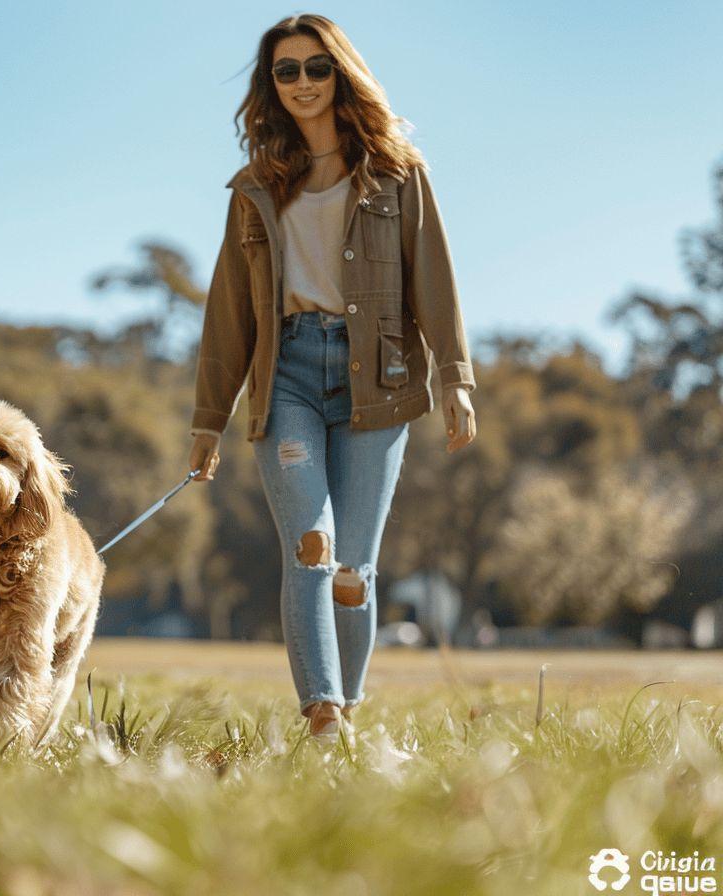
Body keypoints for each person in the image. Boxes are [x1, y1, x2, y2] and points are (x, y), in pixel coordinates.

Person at [186, 13, 478, 741]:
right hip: (285, 375)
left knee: (354, 569)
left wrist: (454, 378)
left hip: (376, 383)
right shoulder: (256, 187)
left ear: (340, 72)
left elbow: (434, 279)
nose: (303, 83)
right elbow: (227, 309)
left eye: (316, 67)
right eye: (287, 71)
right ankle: (321, 717)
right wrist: (207, 418)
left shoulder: (396, 171)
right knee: (309, 548)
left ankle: (348, 710)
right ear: (271, 85)